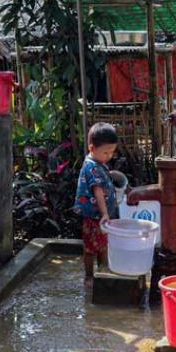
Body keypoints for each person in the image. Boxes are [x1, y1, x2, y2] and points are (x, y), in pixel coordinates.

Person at [74, 122, 119, 288]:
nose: (109, 156)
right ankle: (89, 276)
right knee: (91, 248)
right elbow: (98, 191)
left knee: (102, 245)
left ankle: (102, 271)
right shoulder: (92, 167)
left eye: (112, 152)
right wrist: (105, 213)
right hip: (95, 216)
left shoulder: (97, 163)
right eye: (106, 152)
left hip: (100, 216)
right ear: (92, 148)